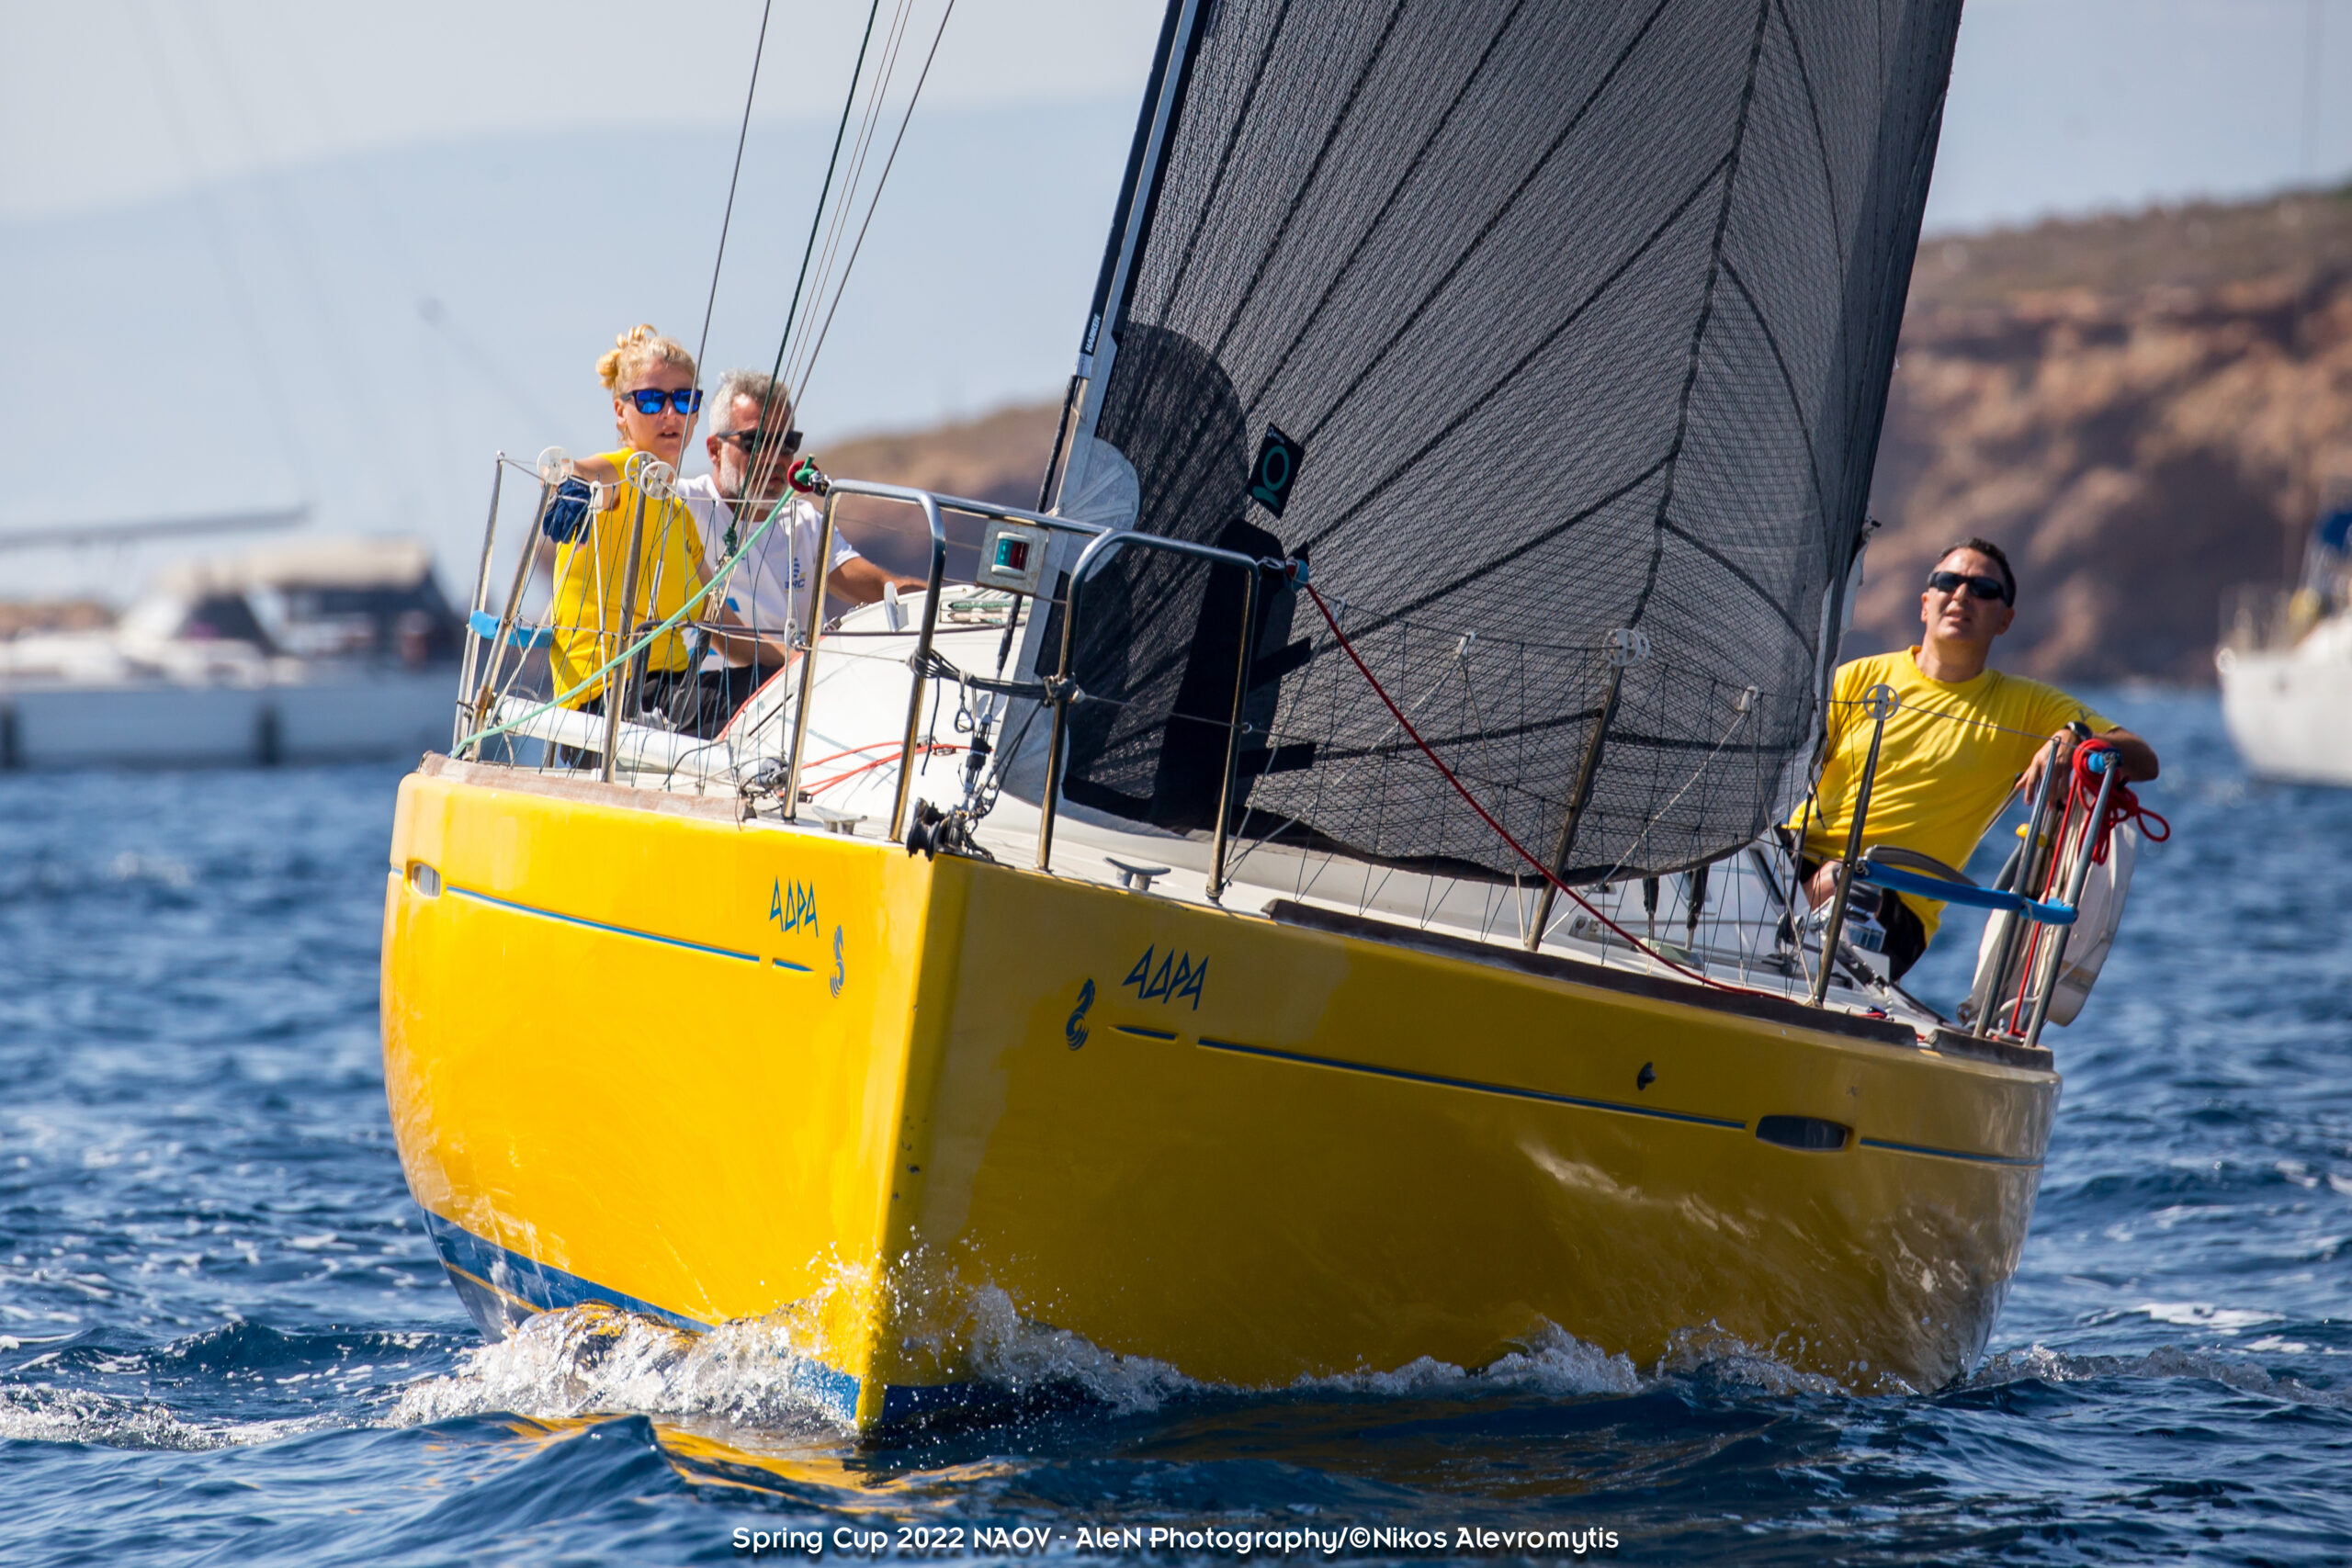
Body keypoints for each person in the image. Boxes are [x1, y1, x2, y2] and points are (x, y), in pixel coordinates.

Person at [1790, 537, 2160, 980]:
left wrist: (2072, 737)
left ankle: (1779, 924)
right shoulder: (1860, 677)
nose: (1962, 595)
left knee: (1843, 881)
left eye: (1983, 589)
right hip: (1790, 862)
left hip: (1889, 902)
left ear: (2005, 620)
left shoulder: (2023, 705)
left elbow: (2144, 759)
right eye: (1948, 582)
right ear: (1925, 604)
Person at [674, 368, 924, 720]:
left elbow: (881, 588)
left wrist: (972, 600)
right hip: (713, 706)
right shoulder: (680, 505)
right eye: (756, 443)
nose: (775, 458)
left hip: (799, 701)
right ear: (715, 450)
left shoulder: (804, 524)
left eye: (786, 443)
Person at [544, 325, 717, 733]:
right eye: (653, 400)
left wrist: (796, 662)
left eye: (685, 399)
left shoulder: (678, 513)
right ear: (621, 411)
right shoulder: (625, 476)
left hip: (669, 695)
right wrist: (568, 484)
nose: (670, 414)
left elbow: (718, 616)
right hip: (608, 703)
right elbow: (579, 471)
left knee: (773, 692)